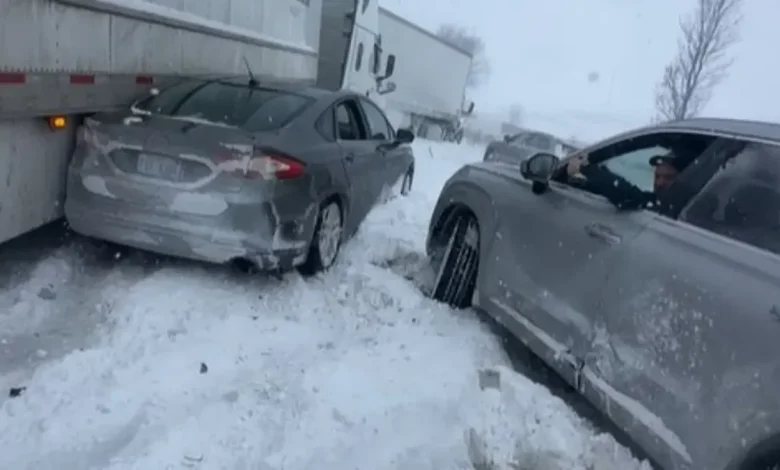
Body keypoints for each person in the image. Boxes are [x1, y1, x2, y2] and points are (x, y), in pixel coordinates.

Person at [565, 151, 682, 210]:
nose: (658, 183)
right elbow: (619, 190)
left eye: (668, 178)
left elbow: (628, 194)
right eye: (657, 176)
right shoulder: (654, 200)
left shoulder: (672, 211)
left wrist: (586, 169)